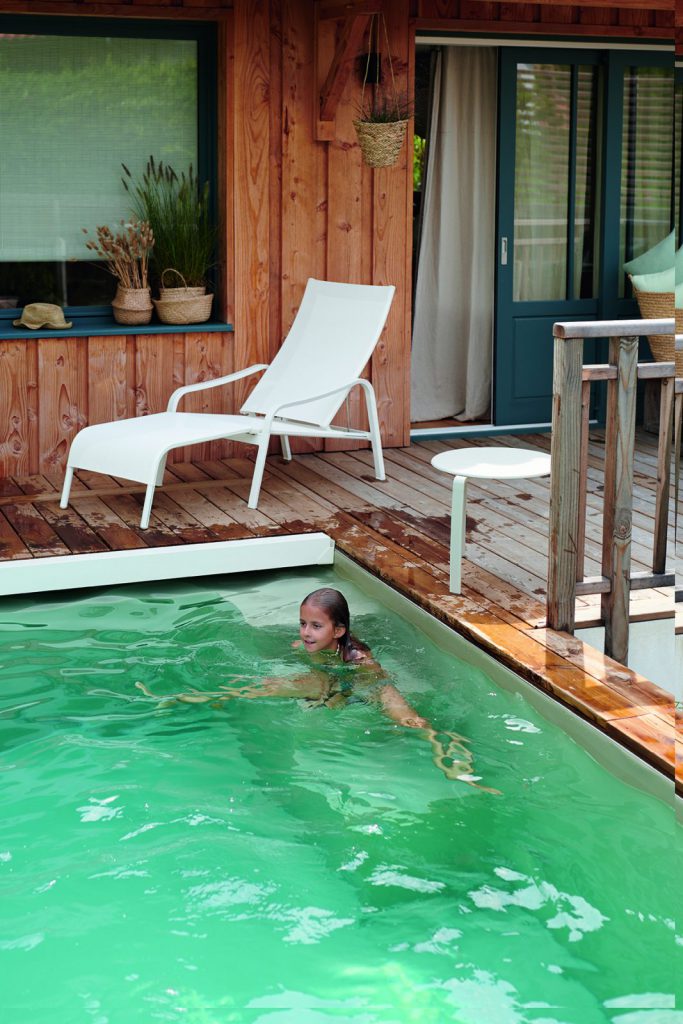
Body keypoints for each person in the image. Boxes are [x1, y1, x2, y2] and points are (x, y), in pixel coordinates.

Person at [135, 587, 499, 792]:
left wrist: (339, 694)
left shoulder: (360, 658)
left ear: (338, 630)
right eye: (302, 624)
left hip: (365, 684)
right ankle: (179, 698)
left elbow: (376, 682)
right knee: (259, 687)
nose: (306, 633)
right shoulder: (303, 647)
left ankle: (454, 763)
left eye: (316, 626)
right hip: (331, 683)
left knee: (413, 722)